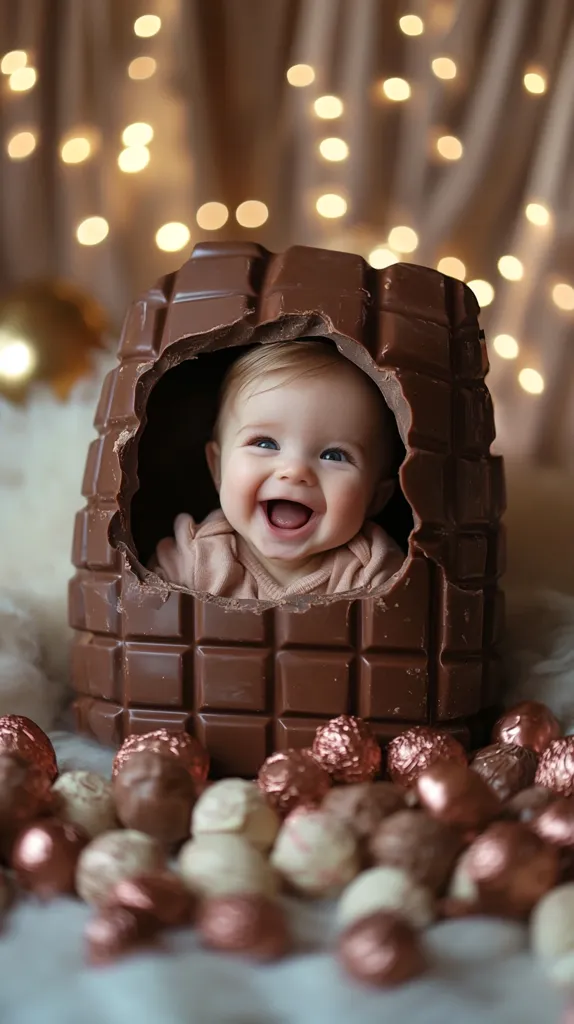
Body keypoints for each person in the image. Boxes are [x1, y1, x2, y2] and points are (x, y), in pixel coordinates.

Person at [150, 338, 405, 600]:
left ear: (375, 498)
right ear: (218, 468)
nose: (295, 470)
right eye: (265, 443)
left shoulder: (373, 573)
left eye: (334, 456)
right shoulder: (192, 560)